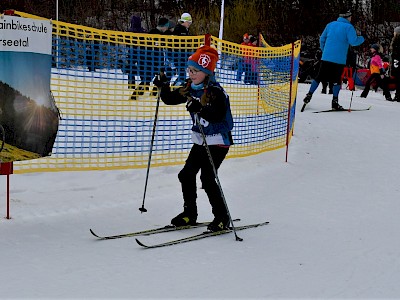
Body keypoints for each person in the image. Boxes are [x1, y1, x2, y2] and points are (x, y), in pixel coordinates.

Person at [153, 45, 234, 232]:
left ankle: (222, 216)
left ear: (207, 72)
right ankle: (190, 213)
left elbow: (218, 114)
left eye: (196, 71)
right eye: (190, 70)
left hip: (218, 141)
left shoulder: (215, 91)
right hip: (201, 140)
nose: (191, 74)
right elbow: (170, 99)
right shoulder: (190, 88)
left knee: (207, 178)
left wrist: (201, 108)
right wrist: (163, 85)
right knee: (186, 175)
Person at [302, 10, 364, 110]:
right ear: (348, 17)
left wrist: (324, 50)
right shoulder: (348, 27)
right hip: (339, 60)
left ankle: (309, 95)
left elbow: (322, 39)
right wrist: (362, 38)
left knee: (319, 77)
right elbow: (353, 42)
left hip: (326, 57)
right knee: (336, 80)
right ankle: (335, 102)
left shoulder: (330, 25)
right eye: (350, 17)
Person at [171, 13, 193, 86]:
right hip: (179, 54)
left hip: (182, 54)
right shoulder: (179, 30)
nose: (189, 24)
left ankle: (177, 85)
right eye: (188, 22)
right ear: (184, 21)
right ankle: (177, 86)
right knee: (181, 71)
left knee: (182, 72)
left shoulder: (184, 29)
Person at [390, 26, 400, 102]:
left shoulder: (397, 41)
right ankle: (397, 95)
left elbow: (395, 53)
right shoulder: (395, 41)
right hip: (396, 62)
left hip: (397, 62)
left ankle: (398, 95)